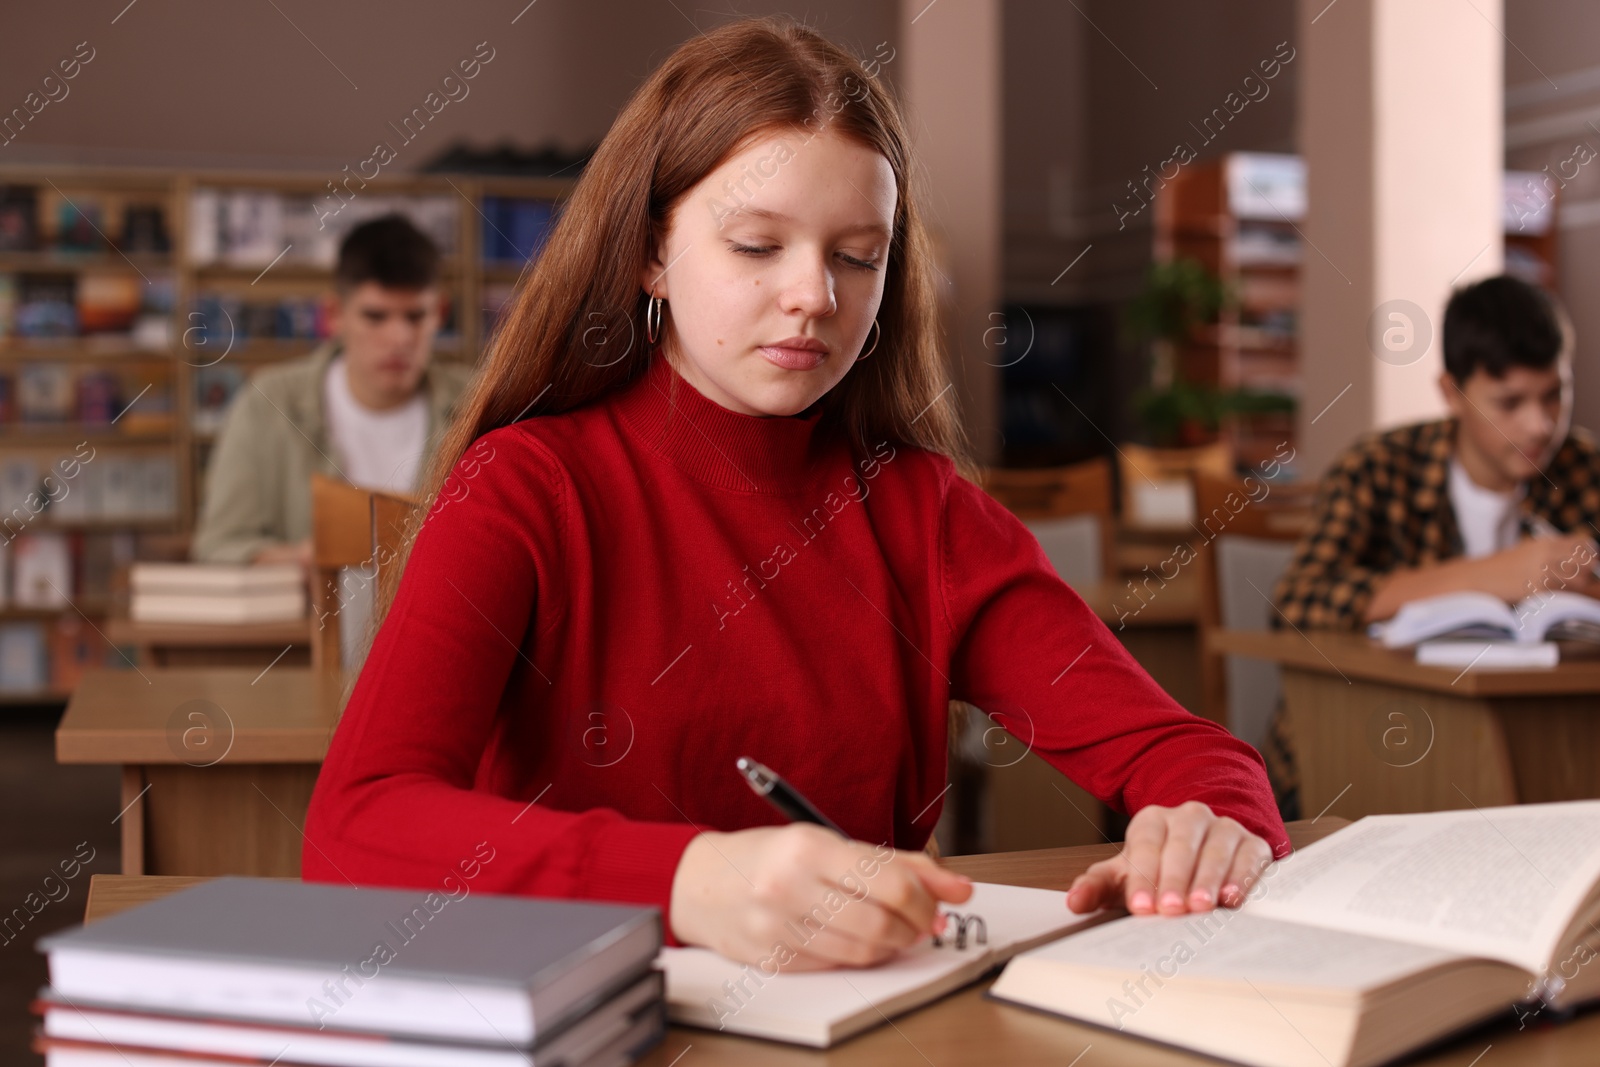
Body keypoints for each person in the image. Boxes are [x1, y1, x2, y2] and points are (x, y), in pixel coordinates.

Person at [301, 16, 1288, 972]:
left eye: (858, 256)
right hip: (593, 1022)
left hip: (857, 1023)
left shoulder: (923, 511)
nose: (815, 294)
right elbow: (353, 830)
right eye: (757, 245)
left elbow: (1185, 751)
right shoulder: (525, 486)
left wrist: (1209, 820)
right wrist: (690, 877)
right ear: (652, 250)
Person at [1265, 274, 1600, 817]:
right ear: (1452, 393)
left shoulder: (1586, 469)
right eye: (1509, 402)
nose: (1540, 425)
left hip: (1546, 749)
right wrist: (1492, 574)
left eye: (1555, 394)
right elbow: (1294, 606)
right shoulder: (1376, 467)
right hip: (1365, 747)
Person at [190, 214, 474, 566]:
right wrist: (303, 561)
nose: (399, 338)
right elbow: (219, 547)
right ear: (333, 313)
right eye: (375, 316)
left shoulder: (478, 403)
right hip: (313, 619)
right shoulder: (268, 402)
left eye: (415, 317)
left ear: (440, 312)